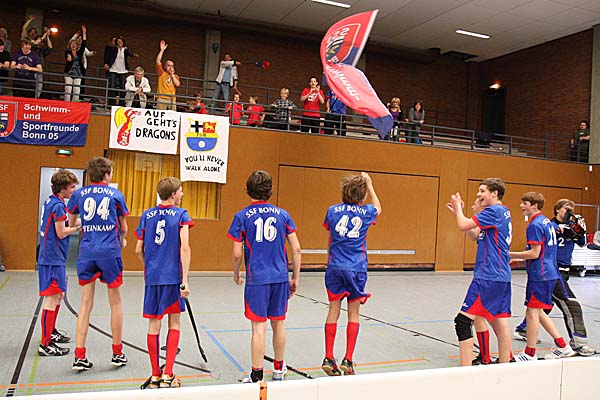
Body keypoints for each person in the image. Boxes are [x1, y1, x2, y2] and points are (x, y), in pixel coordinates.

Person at [227, 170, 301, 383]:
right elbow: (296, 249)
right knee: (279, 323)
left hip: (257, 279)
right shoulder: (283, 215)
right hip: (280, 277)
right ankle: (278, 368)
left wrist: (236, 273)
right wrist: (295, 278)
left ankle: (257, 375)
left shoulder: (242, 216)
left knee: (259, 328)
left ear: (248, 189)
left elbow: (237, 253)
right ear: (270, 190)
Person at [67, 157, 129, 371]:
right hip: (109, 252)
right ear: (106, 175)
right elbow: (123, 227)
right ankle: (117, 353)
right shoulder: (116, 195)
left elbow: (72, 222)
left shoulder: (78, 194)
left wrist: (87, 224)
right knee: (116, 303)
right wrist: (122, 239)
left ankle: (79, 355)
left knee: (85, 304)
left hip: (87, 252)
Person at [513, 199, 595, 356]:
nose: (569, 212)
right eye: (565, 209)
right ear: (557, 210)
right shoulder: (549, 225)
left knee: (543, 306)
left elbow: (582, 243)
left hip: (563, 271)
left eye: (571, 209)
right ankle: (579, 344)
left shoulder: (571, 227)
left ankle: (524, 329)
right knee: (571, 305)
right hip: (552, 271)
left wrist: (581, 230)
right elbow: (538, 246)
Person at [446, 178, 513, 366]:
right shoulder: (502, 212)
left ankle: (466, 370)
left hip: (489, 275)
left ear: (494, 193)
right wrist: (459, 213)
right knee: (499, 322)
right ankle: (505, 365)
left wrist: (458, 207)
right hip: (500, 275)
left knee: (462, 321)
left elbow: (463, 225)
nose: (479, 194)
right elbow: (473, 234)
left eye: (482, 191)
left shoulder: (494, 211)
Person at [135, 177, 193, 389]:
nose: (182, 194)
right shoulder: (181, 215)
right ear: (173, 194)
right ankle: (168, 373)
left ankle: (155, 375)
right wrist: (184, 280)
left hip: (153, 277)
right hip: (172, 277)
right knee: (174, 323)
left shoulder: (147, 215)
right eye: (181, 191)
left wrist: (150, 266)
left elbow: (138, 250)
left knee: (153, 324)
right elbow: (184, 248)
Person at [321, 172, 381, 376]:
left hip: (335, 266)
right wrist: (370, 184)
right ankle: (348, 359)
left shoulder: (332, 211)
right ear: (362, 197)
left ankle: (329, 356)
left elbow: (330, 236)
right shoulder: (366, 212)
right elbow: (378, 207)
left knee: (333, 310)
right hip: (356, 268)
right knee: (353, 313)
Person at [510, 192, 576, 361]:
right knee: (538, 312)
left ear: (534, 205)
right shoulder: (546, 222)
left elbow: (535, 253)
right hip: (549, 272)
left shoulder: (535, 225)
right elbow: (543, 251)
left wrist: (509, 254)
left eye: (525, 203)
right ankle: (563, 346)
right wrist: (520, 259)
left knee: (532, 313)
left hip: (540, 274)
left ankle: (530, 353)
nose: (521, 206)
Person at [37, 169, 81, 356]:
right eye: (71, 187)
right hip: (52, 257)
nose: (74, 190)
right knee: (52, 298)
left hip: (53, 256)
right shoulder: (58, 206)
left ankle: (51, 331)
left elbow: (62, 225)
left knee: (59, 295)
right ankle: (45, 344)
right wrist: (78, 227)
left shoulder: (52, 201)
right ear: (62, 188)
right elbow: (61, 232)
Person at [21, 16, 52, 98]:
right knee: (28, 85)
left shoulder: (40, 49)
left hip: (39, 68)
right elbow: (24, 29)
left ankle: (36, 99)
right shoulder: (30, 44)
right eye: (31, 32)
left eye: (34, 32)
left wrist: (47, 36)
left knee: (39, 86)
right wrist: (30, 20)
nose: (33, 33)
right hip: (29, 67)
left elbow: (50, 48)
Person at [106, 36, 137, 106]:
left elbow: (130, 53)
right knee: (112, 86)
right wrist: (107, 63)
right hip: (113, 69)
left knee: (122, 87)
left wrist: (134, 55)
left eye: (121, 41)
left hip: (122, 70)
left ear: (123, 42)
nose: (120, 43)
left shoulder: (125, 49)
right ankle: (112, 102)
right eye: (118, 41)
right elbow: (108, 54)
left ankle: (122, 102)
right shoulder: (114, 49)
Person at [155, 40, 180, 111]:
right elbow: (158, 61)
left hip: (172, 99)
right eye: (169, 65)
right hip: (162, 98)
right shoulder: (161, 73)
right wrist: (162, 50)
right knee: (160, 115)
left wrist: (172, 75)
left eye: (172, 66)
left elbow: (177, 84)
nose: (170, 67)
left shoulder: (176, 76)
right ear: (165, 66)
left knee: (173, 115)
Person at [64, 25, 87, 102]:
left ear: (77, 46)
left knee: (76, 90)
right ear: (70, 46)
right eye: (72, 44)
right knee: (68, 89)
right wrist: (76, 35)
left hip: (78, 73)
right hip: (69, 72)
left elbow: (84, 43)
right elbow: (68, 57)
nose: (73, 45)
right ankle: (66, 104)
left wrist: (84, 32)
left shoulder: (80, 52)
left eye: (75, 44)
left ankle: (74, 104)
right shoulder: (67, 51)